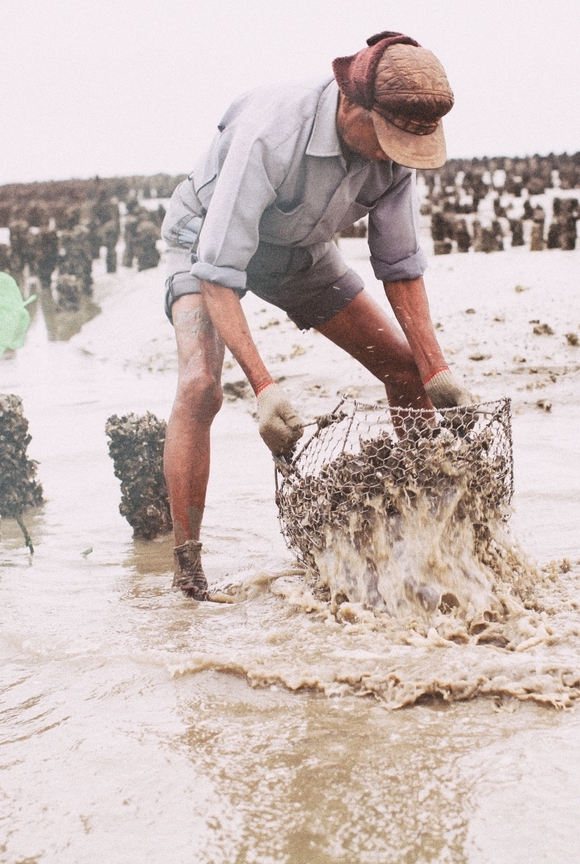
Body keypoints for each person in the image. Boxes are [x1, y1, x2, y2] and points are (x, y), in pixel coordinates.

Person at [160, 31, 475, 600]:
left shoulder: (396, 152)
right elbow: (219, 270)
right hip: (204, 241)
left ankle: (429, 537)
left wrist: (437, 369)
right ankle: (188, 569)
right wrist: (264, 387)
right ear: (351, 104)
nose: (389, 156)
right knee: (201, 386)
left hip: (300, 252)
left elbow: (400, 266)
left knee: (405, 370)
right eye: (385, 140)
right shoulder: (272, 132)